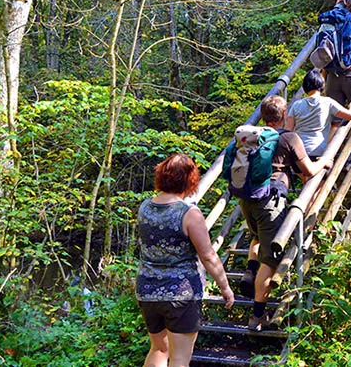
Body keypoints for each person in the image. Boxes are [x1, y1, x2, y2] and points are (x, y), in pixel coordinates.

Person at [238, 95, 333, 330]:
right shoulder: (289, 138)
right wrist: (325, 162)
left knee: (257, 236)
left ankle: (249, 272)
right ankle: (257, 316)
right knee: (270, 260)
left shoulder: (249, 136)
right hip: (269, 200)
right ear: (283, 116)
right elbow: (309, 170)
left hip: (246, 197)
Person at [136, 153, 235, 367]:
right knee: (180, 359)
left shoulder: (144, 207)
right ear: (190, 180)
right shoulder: (189, 213)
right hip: (180, 293)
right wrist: (225, 288)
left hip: (147, 289)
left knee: (159, 349)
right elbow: (208, 255)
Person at [286, 69, 351, 158]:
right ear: (322, 85)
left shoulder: (296, 105)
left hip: (298, 153)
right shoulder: (327, 102)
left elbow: (288, 130)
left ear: (304, 87)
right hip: (318, 152)